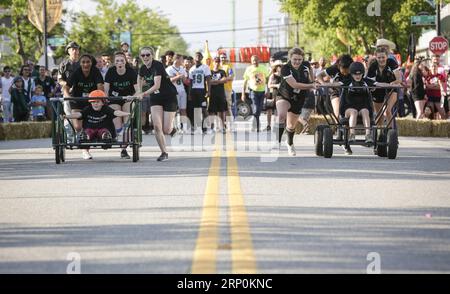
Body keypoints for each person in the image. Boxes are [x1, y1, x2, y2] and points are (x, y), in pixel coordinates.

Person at [137, 46, 178, 161]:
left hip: (169, 96)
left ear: (152, 55)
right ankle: (164, 152)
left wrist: (143, 94)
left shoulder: (157, 65)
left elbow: (157, 85)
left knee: (166, 129)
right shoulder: (142, 68)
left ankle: (172, 129)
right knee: (156, 126)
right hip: (155, 97)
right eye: (143, 55)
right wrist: (139, 91)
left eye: (148, 55)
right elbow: (139, 79)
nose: (145, 57)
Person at [65, 90, 130, 160]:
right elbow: (79, 114)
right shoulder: (88, 109)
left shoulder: (106, 109)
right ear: (90, 103)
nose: (95, 104)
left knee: (104, 132)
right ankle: (85, 139)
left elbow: (116, 113)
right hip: (90, 130)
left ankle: (105, 137)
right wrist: (67, 116)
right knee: (87, 132)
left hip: (103, 129)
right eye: (93, 102)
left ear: (103, 102)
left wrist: (127, 114)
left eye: (98, 102)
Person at [276, 47, 316, 156]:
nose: (297, 62)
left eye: (299, 59)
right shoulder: (285, 68)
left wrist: (313, 82)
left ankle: (289, 143)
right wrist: (311, 85)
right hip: (284, 95)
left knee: (291, 125)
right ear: (290, 58)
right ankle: (277, 142)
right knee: (281, 115)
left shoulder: (306, 65)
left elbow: (311, 77)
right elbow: (294, 84)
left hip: (299, 97)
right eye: (295, 59)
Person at [64, 53, 104, 161]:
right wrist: (68, 97)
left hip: (91, 101)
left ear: (91, 63)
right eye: (83, 62)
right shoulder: (76, 72)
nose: (86, 64)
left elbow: (100, 86)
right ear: (80, 63)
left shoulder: (95, 71)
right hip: (77, 100)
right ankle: (82, 141)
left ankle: (85, 149)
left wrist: (99, 97)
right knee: (77, 127)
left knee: (88, 125)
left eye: (88, 62)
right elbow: (66, 87)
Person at [104, 51, 139, 159]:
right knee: (118, 125)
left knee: (127, 121)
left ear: (125, 62)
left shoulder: (131, 72)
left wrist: (133, 97)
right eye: (117, 61)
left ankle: (124, 148)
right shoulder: (110, 71)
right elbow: (106, 89)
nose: (120, 62)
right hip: (114, 99)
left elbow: (138, 90)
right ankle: (122, 143)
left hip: (127, 99)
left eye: (122, 60)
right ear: (114, 63)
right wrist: (106, 99)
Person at [366, 47, 401, 128]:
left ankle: (391, 132)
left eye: (383, 57)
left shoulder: (392, 62)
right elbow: (371, 83)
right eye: (379, 57)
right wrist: (383, 84)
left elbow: (399, 79)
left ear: (387, 56)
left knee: (387, 110)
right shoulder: (373, 66)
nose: (381, 59)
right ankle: (380, 133)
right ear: (376, 57)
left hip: (391, 89)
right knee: (379, 114)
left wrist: (394, 83)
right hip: (377, 91)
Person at [242, 55, 270, 132]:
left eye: (256, 60)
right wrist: (243, 93)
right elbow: (245, 82)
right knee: (256, 108)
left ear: (259, 60)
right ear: (251, 61)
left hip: (262, 91)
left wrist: (268, 90)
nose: (255, 62)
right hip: (253, 91)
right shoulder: (249, 69)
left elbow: (268, 80)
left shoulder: (263, 68)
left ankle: (254, 125)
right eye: (253, 60)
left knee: (259, 109)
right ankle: (257, 126)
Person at [189, 52, 211, 134]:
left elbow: (208, 80)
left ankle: (208, 128)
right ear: (194, 58)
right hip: (194, 91)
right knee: (196, 110)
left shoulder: (205, 67)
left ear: (202, 58)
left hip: (202, 90)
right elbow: (190, 83)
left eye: (199, 56)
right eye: (196, 56)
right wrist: (189, 94)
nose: (197, 57)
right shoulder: (192, 69)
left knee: (204, 110)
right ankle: (198, 128)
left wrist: (209, 91)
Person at [166, 53, 188, 133]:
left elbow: (185, 81)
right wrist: (178, 76)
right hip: (174, 92)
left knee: (183, 109)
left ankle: (184, 128)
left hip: (182, 91)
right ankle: (174, 127)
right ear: (177, 59)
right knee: (174, 111)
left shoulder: (182, 68)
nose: (182, 61)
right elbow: (169, 80)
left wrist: (183, 77)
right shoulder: (169, 69)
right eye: (181, 59)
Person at [208, 57, 228, 133]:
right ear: (213, 62)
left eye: (218, 62)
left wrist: (216, 81)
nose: (217, 63)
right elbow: (209, 81)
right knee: (212, 111)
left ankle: (222, 127)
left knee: (222, 111)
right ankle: (212, 128)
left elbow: (225, 80)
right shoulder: (210, 72)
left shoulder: (222, 71)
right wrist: (219, 81)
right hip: (213, 94)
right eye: (215, 61)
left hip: (221, 94)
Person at [219, 52, 235, 129]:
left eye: (224, 57)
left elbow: (231, 77)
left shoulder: (229, 66)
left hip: (226, 88)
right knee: (220, 107)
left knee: (228, 107)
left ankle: (231, 125)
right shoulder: (217, 65)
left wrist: (223, 79)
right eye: (221, 57)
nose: (223, 59)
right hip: (218, 89)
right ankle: (222, 124)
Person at [267, 62, 282, 131]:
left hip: (282, 94)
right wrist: (276, 85)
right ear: (276, 67)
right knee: (270, 110)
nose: (280, 67)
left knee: (278, 111)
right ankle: (269, 125)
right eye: (278, 66)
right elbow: (269, 85)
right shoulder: (273, 75)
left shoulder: (284, 75)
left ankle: (276, 126)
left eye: (281, 66)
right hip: (274, 94)